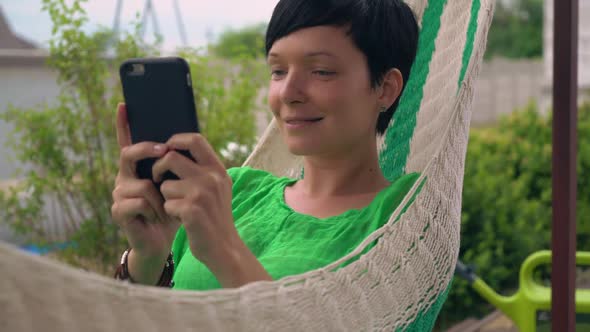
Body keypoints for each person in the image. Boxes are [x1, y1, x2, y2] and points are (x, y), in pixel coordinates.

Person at [111, 0, 420, 290]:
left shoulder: (407, 217)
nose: (288, 92)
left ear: (385, 88)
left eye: (321, 71)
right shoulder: (235, 190)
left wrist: (222, 247)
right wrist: (149, 254)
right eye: (278, 71)